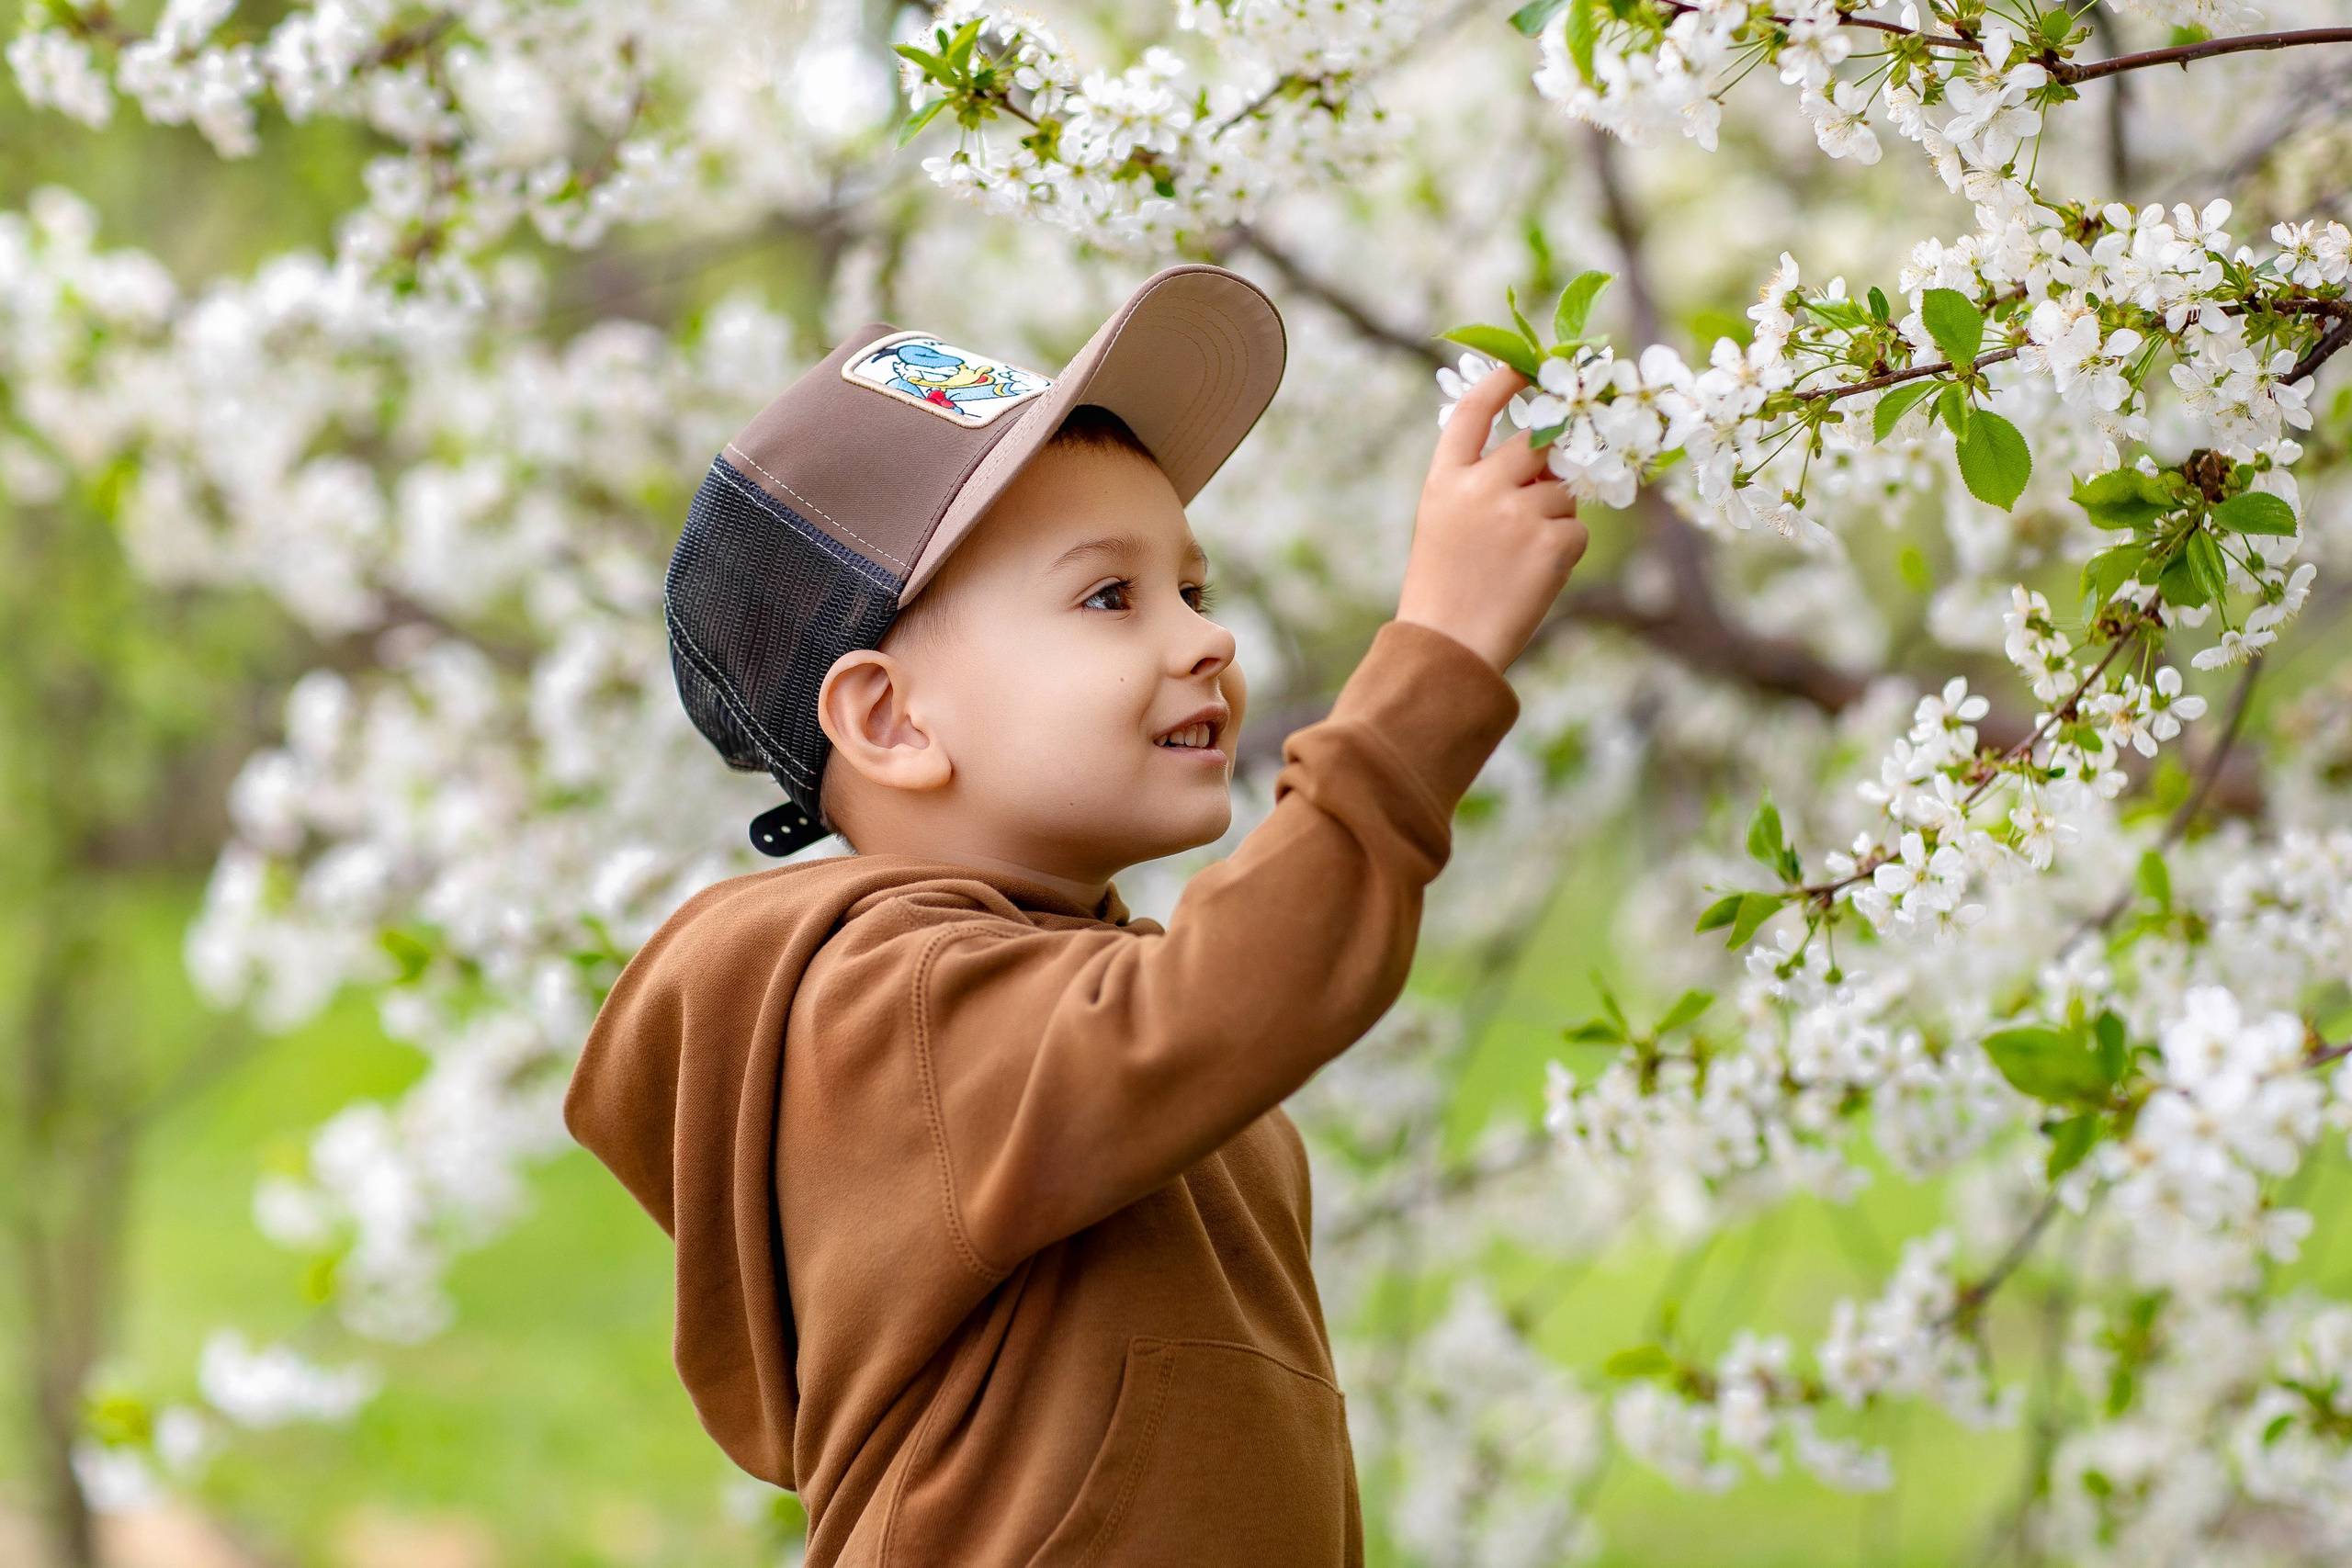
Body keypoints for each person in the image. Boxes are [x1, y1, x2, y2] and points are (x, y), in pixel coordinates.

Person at [566, 264, 1585, 1567]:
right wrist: (1437, 648)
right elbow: (1235, 995)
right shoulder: (888, 1007)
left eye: (1194, 590)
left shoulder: (1077, 995)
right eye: (1111, 597)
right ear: (890, 718)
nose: (1204, 641)